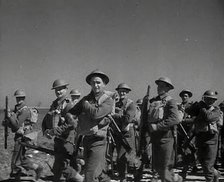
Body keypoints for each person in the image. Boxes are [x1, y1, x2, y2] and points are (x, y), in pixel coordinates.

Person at [68, 69, 113, 182]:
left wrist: (86, 105)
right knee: (97, 173)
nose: (95, 85)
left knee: (89, 174)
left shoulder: (107, 100)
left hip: (99, 141)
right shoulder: (86, 99)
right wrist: (71, 119)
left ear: (104, 84)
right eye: (93, 82)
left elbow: (96, 114)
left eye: (98, 82)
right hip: (86, 139)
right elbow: (72, 112)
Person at [42, 79, 83, 182]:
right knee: (58, 168)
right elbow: (47, 118)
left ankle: (82, 180)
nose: (58, 92)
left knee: (63, 165)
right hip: (58, 140)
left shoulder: (69, 105)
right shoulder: (55, 104)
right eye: (56, 90)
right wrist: (46, 130)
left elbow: (72, 124)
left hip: (67, 141)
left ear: (66, 89)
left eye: (61, 89)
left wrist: (55, 131)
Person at [146, 77, 182, 182]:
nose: (159, 88)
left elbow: (175, 119)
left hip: (166, 138)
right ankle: (177, 179)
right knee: (158, 167)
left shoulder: (171, 101)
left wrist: (158, 126)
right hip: (155, 138)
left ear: (168, 88)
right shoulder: (154, 101)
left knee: (164, 168)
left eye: (162, 86)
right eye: (158, 85)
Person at [3, 89, 43, 181]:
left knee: (15, 161)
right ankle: (37, 167)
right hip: (19, 136)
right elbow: (12, 124)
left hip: (23, 138)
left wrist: (10, 116)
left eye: (21, 98)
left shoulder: (24, 111)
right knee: (21, 159)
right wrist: (6, 120)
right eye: (17, 98)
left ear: (24, 98)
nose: (19, 100)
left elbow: (16, 125)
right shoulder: (17, 110)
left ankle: (16, 176)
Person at [186, 90, 223, 182]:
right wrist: (196, 105)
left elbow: (208, 117)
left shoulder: (216, 110)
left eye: (212, 99)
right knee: (202, 162)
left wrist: (202, 108)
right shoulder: (199, 108)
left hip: (211, 139)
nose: (210, 101)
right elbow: (189, 111)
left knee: (207, 164)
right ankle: (215, 173)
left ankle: (209, 179)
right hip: (200, 137)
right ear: (204, 98)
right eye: (208, 99)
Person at [112, 83, 138, 182]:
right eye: (120, 91)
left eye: (124, 91)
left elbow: (127, 118)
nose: (122, 93)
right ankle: (123, 176)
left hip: (127, 133)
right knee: (120, 156)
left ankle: (135, 174)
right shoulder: (116, 103)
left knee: (129, 156)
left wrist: (115, 115)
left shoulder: (131, 104)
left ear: (127, 92)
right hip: (117, 132)